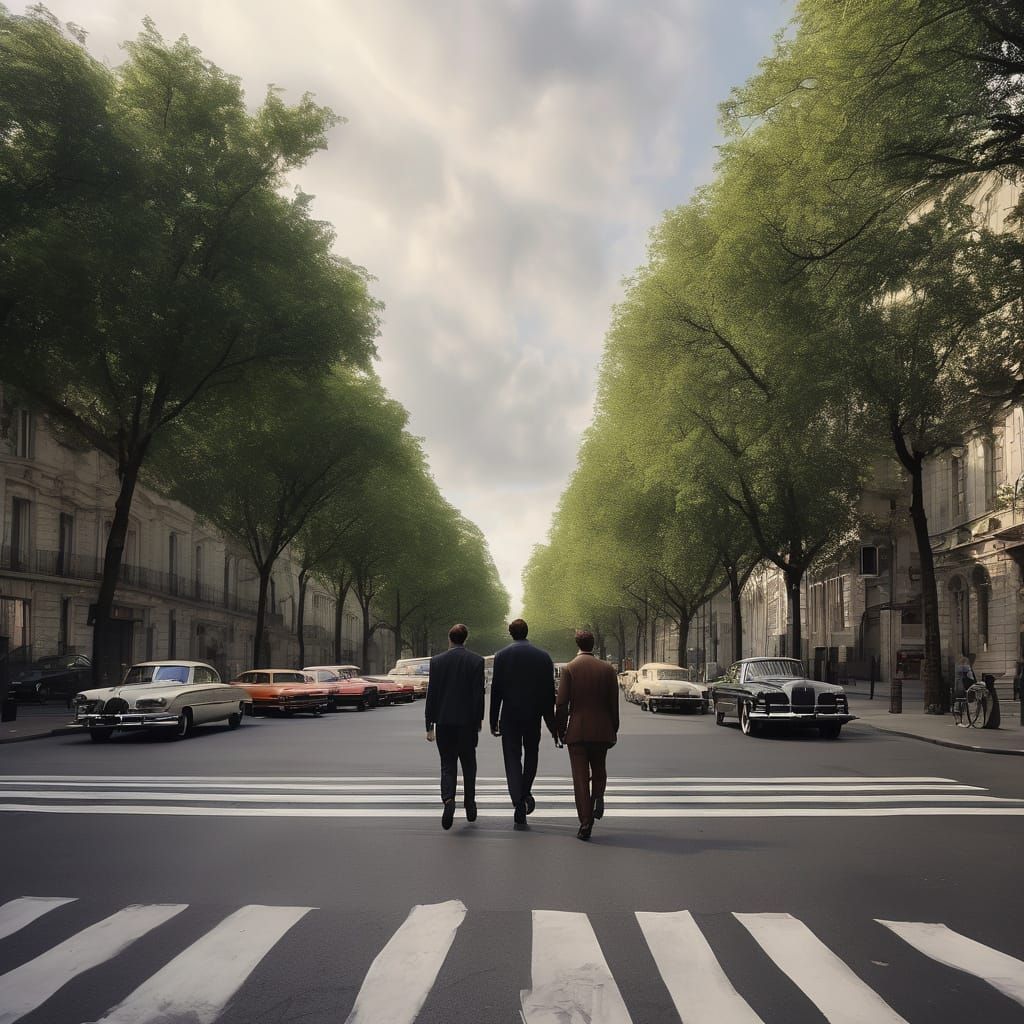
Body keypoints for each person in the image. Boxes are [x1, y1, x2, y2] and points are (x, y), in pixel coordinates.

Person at [489, 618, 557, 830]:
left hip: (509, 715)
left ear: (511, 634)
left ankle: (517, 800)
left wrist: (493, 720)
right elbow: (549, 694)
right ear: (527, 632)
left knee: (512, 758)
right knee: (531, 754)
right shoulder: (543, 657)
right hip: (533, 715)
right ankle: (526, 790)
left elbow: (496, 691)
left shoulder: (501, 656)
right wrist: (552, 725)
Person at [555, 629, 620, 841]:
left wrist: (561, 729)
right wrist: (614, 727)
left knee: (580, 778)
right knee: (599, 767)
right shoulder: (608, 669)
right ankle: (599, 795)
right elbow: (613, 704)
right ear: (594, 645)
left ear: (577, 644)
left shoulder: (570, 669)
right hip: (602, 729)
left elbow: (562, 703)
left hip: (578, 731)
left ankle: (585, 822)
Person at [425, 623, 485, 830]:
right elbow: (479, 696)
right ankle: (470, 802)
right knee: (469, 764)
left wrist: (429, 724)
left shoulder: (437, 661)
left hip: (444, 722)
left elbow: (431, 695)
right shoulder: (476, 661)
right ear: (465, 639)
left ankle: (448, 799)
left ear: (449, 639)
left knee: (447, 764)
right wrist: (479, 721)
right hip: (467, 723)